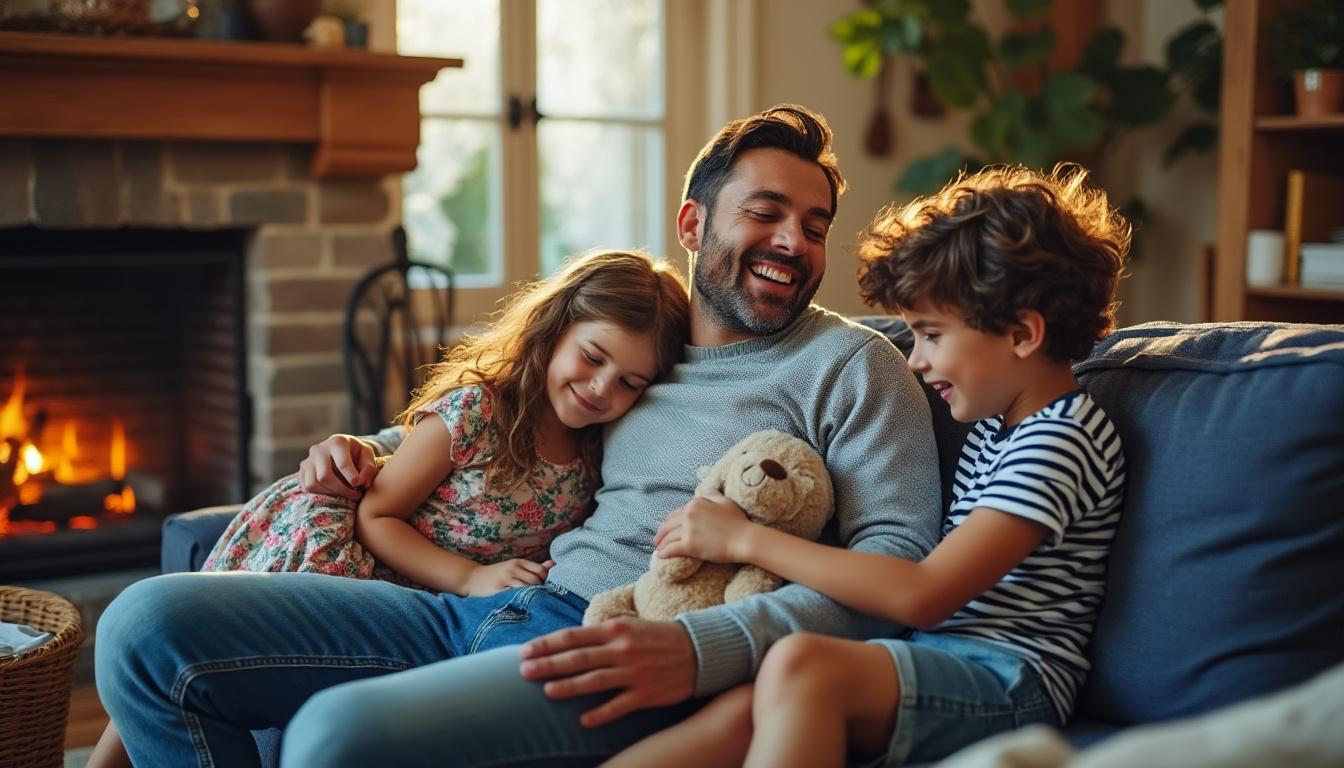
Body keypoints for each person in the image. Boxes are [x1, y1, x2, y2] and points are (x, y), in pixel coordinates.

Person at [93, 104, 944, 768]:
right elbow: (502, 417)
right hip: (476, 607)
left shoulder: (853, 366)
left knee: (337, 741)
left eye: (816, 223)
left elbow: (898, 572)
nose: (794, 242)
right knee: (145, 627)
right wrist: (371, 450)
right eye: (766, 213)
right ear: (693, 227)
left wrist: (701, 648)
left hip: (612, 647)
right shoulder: (644, 352)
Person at [605, 164, 1130, 768]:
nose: (915, 361)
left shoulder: (1061, 440)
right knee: (743, 709)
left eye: (931, 335)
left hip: (1009, 681)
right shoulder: (997, 423)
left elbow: (924, 595)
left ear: (1021, 333)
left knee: (801, 665)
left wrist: (746, 540)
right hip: (940, 658)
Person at [85, 248, 690, 768]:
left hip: (434, 604)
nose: (602, 389)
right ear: (555, 329)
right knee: (161, 659)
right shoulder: (476, 414)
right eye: (592, 357)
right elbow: (377, 517)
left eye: (630, 383)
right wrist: (471, 579)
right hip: (355, 551)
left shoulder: (596, 449)